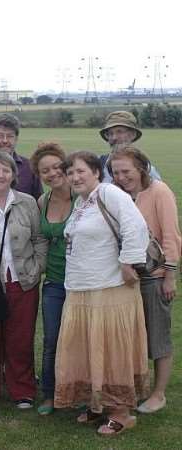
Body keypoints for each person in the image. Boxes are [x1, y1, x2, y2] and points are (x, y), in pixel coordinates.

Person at [54, 151, 150, 436]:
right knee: (88, 349)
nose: (75, 177)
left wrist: (128, 261)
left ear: (97, 172)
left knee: (111, 351)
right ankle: (97, 403)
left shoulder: (108, 192)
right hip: (81, 289)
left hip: (110, 289)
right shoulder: (83, 202)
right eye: (70, 173)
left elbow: (136, 225)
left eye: (81, 171)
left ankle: (121, 412)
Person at [108, 145, 181, 414]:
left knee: (158, 337)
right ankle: (136, 387)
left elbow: (172, 236)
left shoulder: (159, 191)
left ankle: (159, 394)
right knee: (132, 337)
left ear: (141, 168)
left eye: (126, 171)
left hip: (155, 276)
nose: (121, 177)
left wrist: (170, 276)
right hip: (128, 278)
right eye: (116, 172)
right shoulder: (119, 195)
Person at [0, 151, 47, 409]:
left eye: (6, 171)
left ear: (13, 175)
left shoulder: (26, 202)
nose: (0, 175)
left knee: (21, 337)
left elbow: (39, 238)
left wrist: (37, 267)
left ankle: (23, 391)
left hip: (23, 279)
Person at [29, 142, 74, 415]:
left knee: (80, 338)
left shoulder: (84, 196)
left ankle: (79, 391)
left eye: (57, 166)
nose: (52, 173)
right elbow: (41, 241)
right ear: (39, 175)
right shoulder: (42, 201)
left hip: (83, 282)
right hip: (54, 282)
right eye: (45, 170)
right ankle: (49, 393)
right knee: (52, 339)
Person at [0, 113, 43, 199]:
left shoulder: (30, 167)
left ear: (16, 138)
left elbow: (38, 203)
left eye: (10, 136)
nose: (5, 140)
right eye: (0, 136)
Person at [98, 110, 161, 183]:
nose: (114, 137)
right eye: (110, 133)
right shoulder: (99, 165)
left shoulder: (147, 170)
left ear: (133, 135)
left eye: (119, 132)